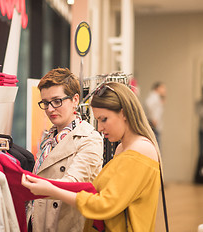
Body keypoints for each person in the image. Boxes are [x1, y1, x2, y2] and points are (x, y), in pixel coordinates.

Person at [22, 82, 162, 232]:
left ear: (124, 113)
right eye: (98, 120)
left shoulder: (139, 150)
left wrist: (52, 190)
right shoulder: (124, 147)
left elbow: (104, 204)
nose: (100, 128)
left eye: (104, 119)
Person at [27, 68, 104, 232]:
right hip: (39, 220)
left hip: (64, 224)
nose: (50, 109)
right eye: (46, 103)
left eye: (56, 101)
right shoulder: (49, 137)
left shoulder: (90, 139)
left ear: (75, 100)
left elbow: (72, 184)